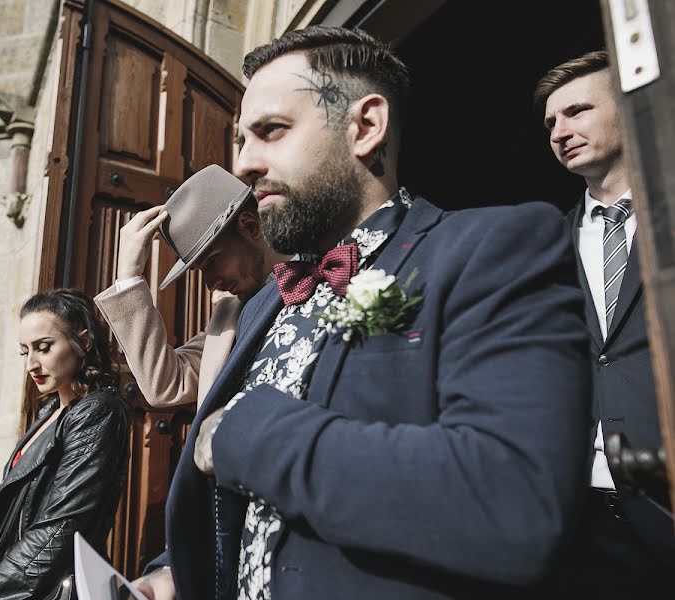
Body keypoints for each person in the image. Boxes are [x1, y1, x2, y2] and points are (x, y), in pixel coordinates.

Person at [135, 26, 591, 600]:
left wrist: (245, 434)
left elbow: (514, 499)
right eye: (240, 140)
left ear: (366, 127)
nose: (244, 164)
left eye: (271, 131)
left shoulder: (492, 250)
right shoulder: (265, 303)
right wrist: (175, 571)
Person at [534, 50, 675, 594]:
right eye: (550, 123)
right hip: (581, 512)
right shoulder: (545, 242)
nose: (559, 131)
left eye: (576, 112)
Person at [0, 289, 129, 600]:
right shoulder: (49, 413)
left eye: (43, 348)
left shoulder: (97, 412)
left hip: (50, 589)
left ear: (83, 342)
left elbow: (60, 526)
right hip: (11, 583)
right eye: (24, 351)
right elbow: (15, 513)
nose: (31, 364)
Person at [94, 164, 286, 409]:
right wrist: (129, 277)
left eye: (212, 261)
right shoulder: (228, 318)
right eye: (200, 270)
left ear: (250, 226)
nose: (210, 283)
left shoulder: (336, 269)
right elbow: (164, 385)